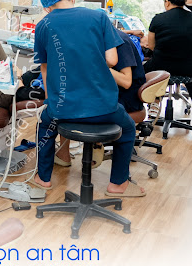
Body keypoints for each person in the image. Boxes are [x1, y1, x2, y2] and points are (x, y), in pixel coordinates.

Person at [32, 0, 145, 198]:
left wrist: (50, 101)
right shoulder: (99, 17)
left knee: (45, 126)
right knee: (128, 128)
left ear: (46, 7)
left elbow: (44, 69)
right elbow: (112, 60)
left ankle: (43, 178)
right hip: (103, 107)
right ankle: (118, 184)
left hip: (62, 108)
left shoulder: (43, 25)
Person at [55, 28, 147, 166]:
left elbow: (126, 82)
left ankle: (89, 146)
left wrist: (97, 64)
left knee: (70, 105)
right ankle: (65, 154)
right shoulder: (98, 37)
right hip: (108, 90)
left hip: (127, 97)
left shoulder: (120, 43)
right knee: (68, 99)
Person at [144, 0, 192, 112]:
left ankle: (154, 102)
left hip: (161, 67)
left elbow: (152, 46)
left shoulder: (158, 19)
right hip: (188, 68)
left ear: (167, 2)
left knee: (139, 70)